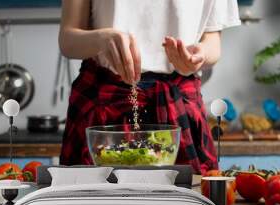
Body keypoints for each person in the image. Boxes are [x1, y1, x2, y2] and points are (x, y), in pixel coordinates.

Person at [58, 0, 241, 174]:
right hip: (104, 105)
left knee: (189, 203)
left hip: (179, 106)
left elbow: (212, 44)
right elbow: (68, 39)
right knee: (91, 204)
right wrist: (101, 39)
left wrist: (199, 56)